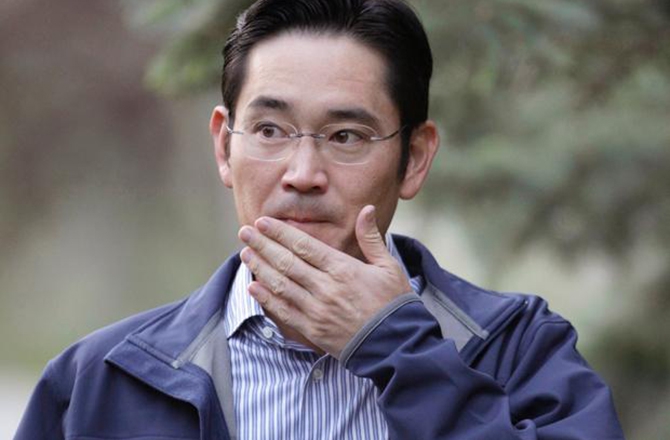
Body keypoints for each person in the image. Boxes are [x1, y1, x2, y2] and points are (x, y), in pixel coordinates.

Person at [16, 0, 625, 439]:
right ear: (224, 146)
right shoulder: (99, 383)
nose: (303, 173)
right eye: (270, 130)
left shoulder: (520, 350)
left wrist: (396, 346)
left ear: (414, 159)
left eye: (346, 135)